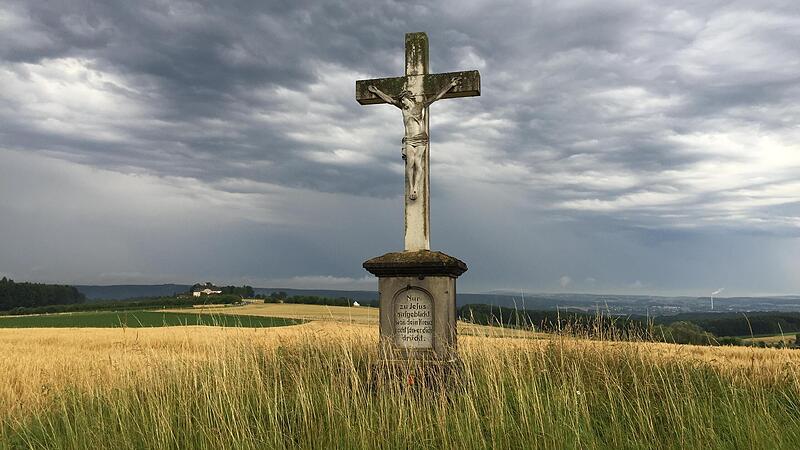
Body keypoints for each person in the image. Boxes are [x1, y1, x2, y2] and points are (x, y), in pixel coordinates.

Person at [368, 77, 461, 200]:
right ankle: (411, 187)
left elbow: (436, 97)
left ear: (408, 98)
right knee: (409, 162)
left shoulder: (420, 106)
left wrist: (450, 85)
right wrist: (376, 92)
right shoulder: (403, 109)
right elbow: (389, 100)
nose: (403, 103)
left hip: (420, 138)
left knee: (417, 162)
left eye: (404, 100)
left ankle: (415, 187)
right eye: (401, 101)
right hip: (409, 139)